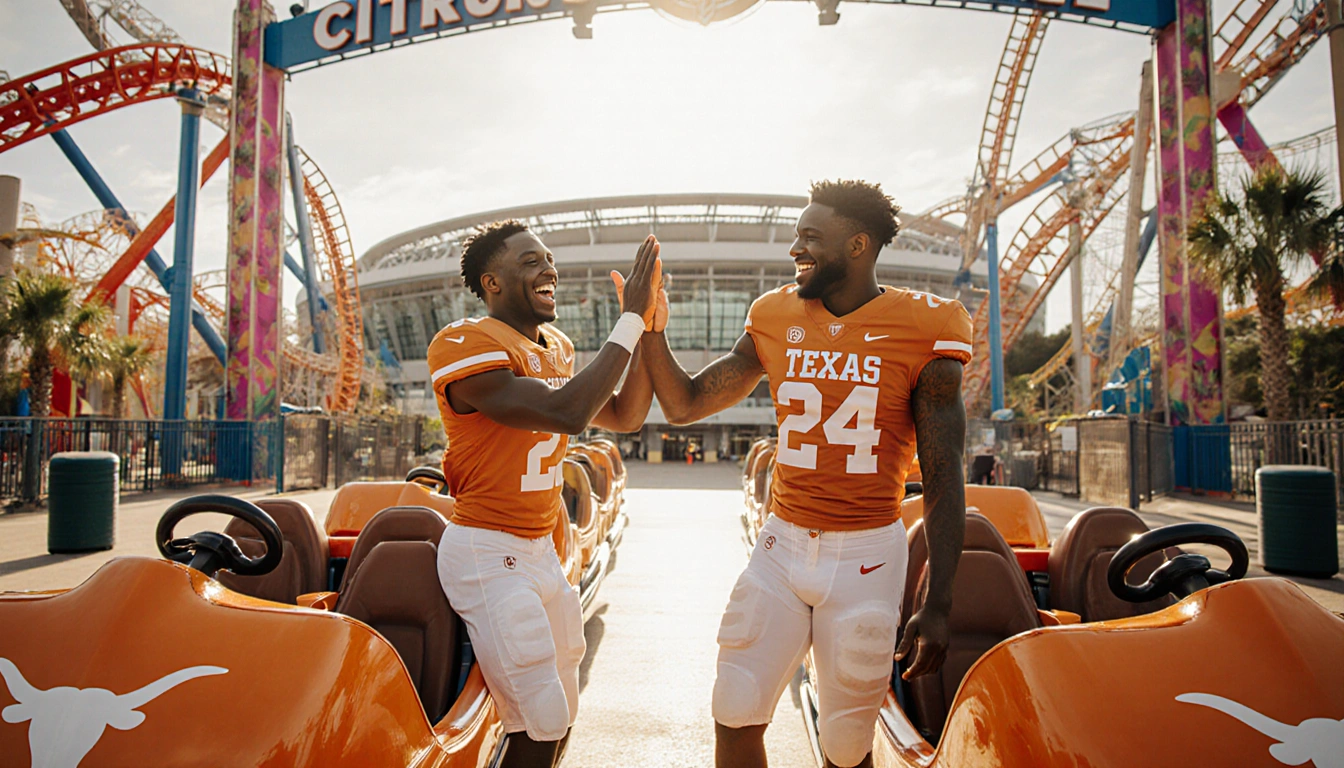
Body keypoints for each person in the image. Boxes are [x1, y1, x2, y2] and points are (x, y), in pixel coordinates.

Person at [641, 180, 972, 768]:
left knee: (846, 744)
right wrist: (651, 329)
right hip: (783, 543)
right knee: (735, 704)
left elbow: (946, 479)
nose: (796, 248)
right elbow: (685, 404)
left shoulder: (928, 325)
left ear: (858, 245)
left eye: (811, 237)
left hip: (868, 552)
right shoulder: (773, 314)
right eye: (797, 234)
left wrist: (939, 599)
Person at [427, 221, 661, 768]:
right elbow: (567, 412)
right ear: (492, 283)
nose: (548, 269)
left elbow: (624, 414)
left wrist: (648, 330)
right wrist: (627, 320)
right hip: (486, 551)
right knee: (542, 717)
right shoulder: (464, 341)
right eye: (531, 261)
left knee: (564, 706)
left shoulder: (557, 346)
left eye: (549, 259)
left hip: (542, 552)